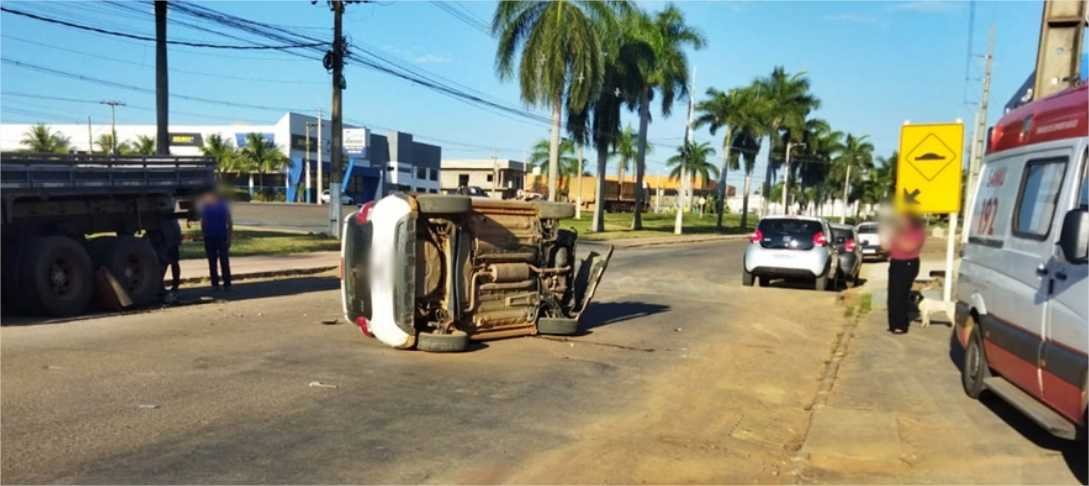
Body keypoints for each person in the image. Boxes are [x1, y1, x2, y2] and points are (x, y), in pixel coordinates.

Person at [884, 213, 926, 334]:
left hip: (908, 263)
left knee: (900, 294)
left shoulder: (916, 231)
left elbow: (909, 246)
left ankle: (901, 325)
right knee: (892, 294)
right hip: (896, 262)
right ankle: (893, 324)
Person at [199, 191, 233, 291]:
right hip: (221, 236)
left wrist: (204, 233)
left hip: (210, 236)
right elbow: (229, 222)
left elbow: (203, 222)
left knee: (213, 262)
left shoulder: (206, 205)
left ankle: (215, 284)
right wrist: (229, 237)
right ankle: (226, 284)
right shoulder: (223, 205)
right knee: (224, 261)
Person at [149, 215, 183, 302]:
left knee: (164, 263)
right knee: (171, 263)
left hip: (167, 240)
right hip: (170, 239)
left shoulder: (162, 219)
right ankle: (171, 286)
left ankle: (161, 287)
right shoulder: (170, 217)